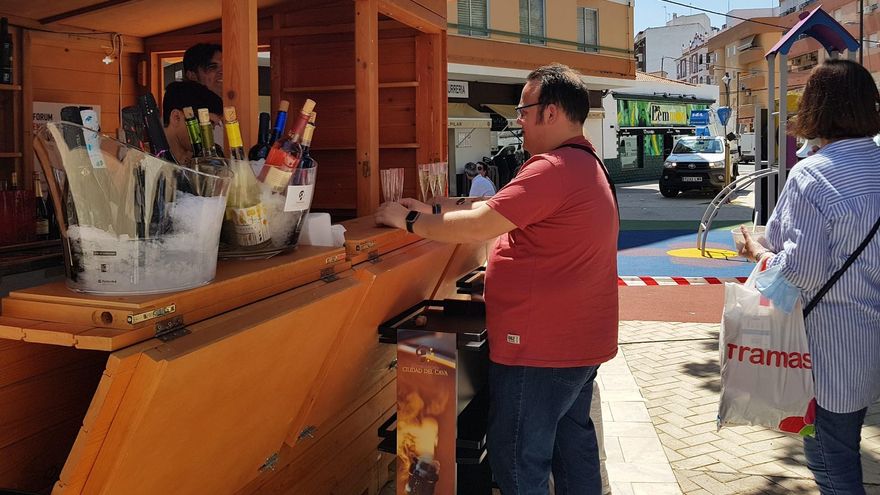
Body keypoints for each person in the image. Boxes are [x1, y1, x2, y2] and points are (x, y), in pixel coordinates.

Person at [376, 63, 619, 494]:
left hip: (541, 350)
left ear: (550, 112)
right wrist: (436, 208)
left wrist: (408, 218)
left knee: (518, 462)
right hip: (576, 343)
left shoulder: (553, 168)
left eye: (524, 111)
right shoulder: (583, 163)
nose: (519, 121)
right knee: (570, 448)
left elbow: (478, 225)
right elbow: (496, 206)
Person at [739, 59, 880, 495]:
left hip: (831, 350)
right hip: (871, 341)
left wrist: (758, 251)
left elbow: (801, 270)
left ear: (815, 107)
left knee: (832, 461)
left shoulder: (812, 175)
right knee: (845, 448)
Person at [162, 80, 224, 165]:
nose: (210, 134)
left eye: (211, 128)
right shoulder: (146, 159)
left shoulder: (205, 160)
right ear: (176, 117)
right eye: (205, 124)